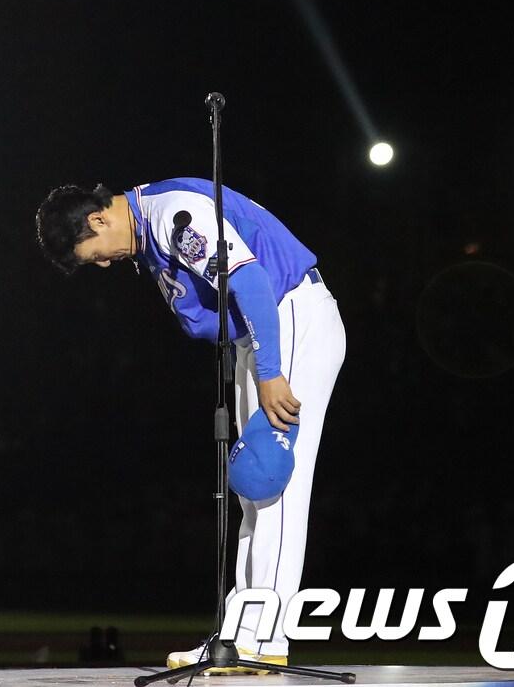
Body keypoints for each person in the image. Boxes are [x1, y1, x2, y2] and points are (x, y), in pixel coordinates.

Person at [35, 178, 345, 671]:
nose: (102, 264)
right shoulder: (149, 232)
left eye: (92, 254)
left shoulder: (174, 214)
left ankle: (264, 638)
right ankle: (239, 633)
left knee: (275, 481)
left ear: (97, 219)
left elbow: (251, 282)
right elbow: (205, 318)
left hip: (290, 318)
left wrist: (270, 372)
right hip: (264, 332)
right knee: (253, 491)